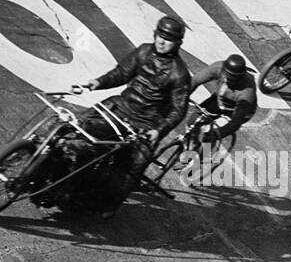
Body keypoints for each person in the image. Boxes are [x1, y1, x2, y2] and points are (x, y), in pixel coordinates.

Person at [68, 16, 193, 214]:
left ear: (178, 43)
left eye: (168, 39)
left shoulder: (180, 74)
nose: (161, 41)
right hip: (121, 106)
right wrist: (98, 82)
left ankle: (109, 206)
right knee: (74, 124)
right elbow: (121, 73)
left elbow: (179, 110)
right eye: (160, 35)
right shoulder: (144, 50)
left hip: (145, 123)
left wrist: (158, 131)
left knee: (134, 165)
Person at [187, 55, 260, 143]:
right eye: (225, 76)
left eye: (230, 80)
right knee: (192, 122)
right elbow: (195, 80)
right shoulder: (218, 67)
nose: (225, 80)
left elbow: (235, 123)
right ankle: (193, 143)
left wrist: (217, 134)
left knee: (208, 137)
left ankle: (205, 155)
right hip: (221, 101)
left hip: (235, 112)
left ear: (239, 79)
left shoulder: (247, 93)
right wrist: (181, 99)